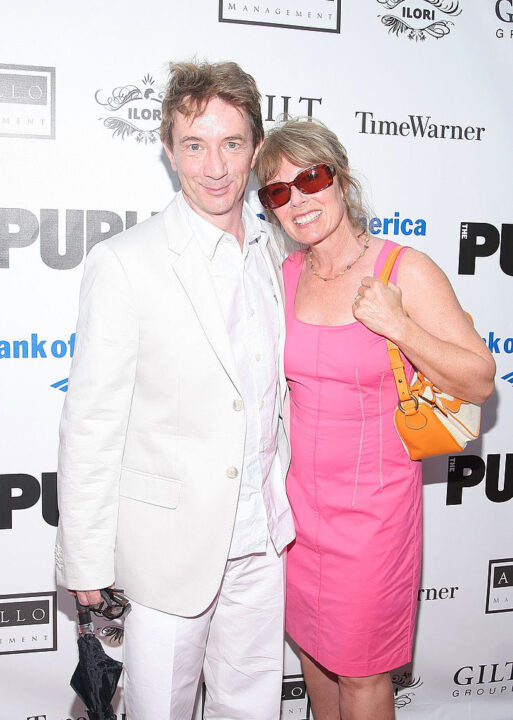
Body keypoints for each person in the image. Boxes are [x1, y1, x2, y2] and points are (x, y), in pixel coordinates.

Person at [55, 61, 295, 720]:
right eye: (194, 145)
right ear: (169, 151)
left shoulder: (278, 255)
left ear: (254, 148)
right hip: (165, 552)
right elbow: (92, 422)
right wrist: (85, 564)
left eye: (230, 144)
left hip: (261, 540)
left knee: (251, 709)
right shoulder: (125, 262)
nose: (214, 166)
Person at [255, 118, 495, 720]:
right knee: (313, 659)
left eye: (310, 178)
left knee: (362, 678)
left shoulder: (403, 269)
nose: (299, 199)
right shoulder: (284, 277)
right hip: (298, 516)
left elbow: (479, 380)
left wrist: (401, 327)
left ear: (340, 177)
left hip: (374, 519)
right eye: (278, 192)